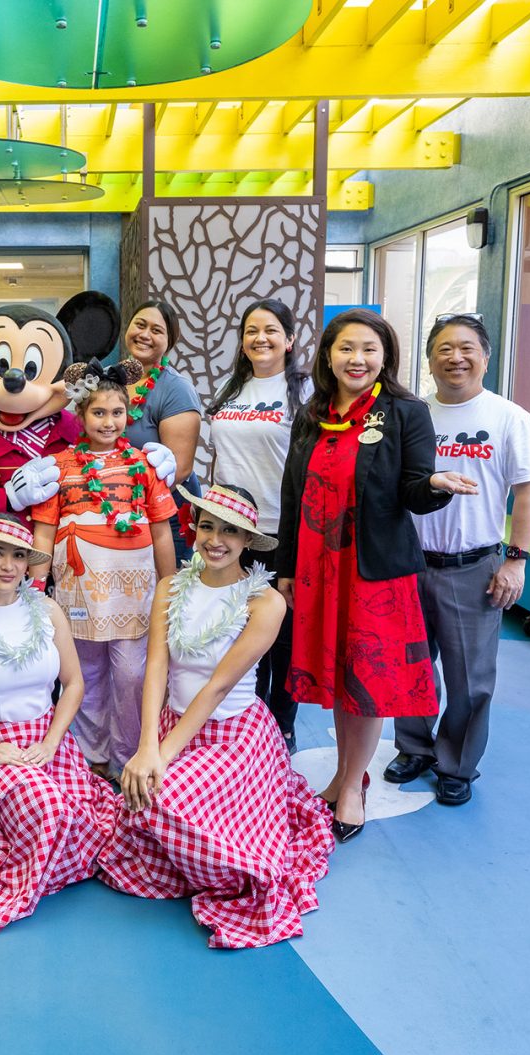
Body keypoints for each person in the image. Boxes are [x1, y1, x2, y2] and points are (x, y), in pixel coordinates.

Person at [275, 308, 477, 844]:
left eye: (368, 348)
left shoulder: (405, 412)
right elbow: (292, 495)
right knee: (340, 680)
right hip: (319, 568)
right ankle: (346, 773)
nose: (356, 359)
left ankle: (352, 790)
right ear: (328, 357)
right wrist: (288, 568)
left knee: (365, 682)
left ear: (385, 356)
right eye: (345, 348)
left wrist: (434, 481)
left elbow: (413, 489)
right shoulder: (312, 413)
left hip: (372, 572)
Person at [102, 486, 332, 949]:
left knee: (160, 793)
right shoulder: (171, 586)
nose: (215, 539)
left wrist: (160, 757)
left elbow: (219, 687)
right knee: (144, 797)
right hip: (173, 723)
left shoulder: (266, 603)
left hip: (234, 738)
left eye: (230, 530)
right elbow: (158, 669)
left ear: (249, 539)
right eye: (207, 526)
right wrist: (148, 744)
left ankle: (235, 841)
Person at [0, 516, 120, 932]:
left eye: (18, 555)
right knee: (48, 808)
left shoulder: (47, 610)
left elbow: (73, 684)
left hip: (48, 742)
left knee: (98, 821)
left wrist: (51, 743)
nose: (8, 566)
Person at [385, 314, 530, 806]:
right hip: (408, 562)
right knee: (409, 666)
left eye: (467, 348)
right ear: (429, 358)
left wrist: (516, 560)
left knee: (470, 680)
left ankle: (457, 763)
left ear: (485, 355)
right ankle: (414, 747)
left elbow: (527, 493)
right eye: (444, 349)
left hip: (472, 567)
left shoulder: (508, 417)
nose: (456, 358)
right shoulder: (411, 414)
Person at [30, 355, 176, 776]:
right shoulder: (59, 467)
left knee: (132, 676)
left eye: (117, 412)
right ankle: (90, 758)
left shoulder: (145, 466)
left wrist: (171, 588)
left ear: (128, 414)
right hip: (78, 592)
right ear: (80, 415)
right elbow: (43, 530)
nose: (108, 421)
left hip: (135, 596)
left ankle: (129, 756)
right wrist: (37, 590)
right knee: (85, 674)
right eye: (98, 412)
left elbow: (163, 531)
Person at [202, 298, 311, 749]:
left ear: (289, 339)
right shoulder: (231, 389)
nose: (259, 338)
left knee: (281, 639)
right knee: (234, 630)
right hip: (231, 531)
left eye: (270, 330)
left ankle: (280, 729)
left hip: (283, 530)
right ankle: (244, 724)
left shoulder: (305, 392)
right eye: (250, 330)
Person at [117, 299, 202, 563]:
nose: (144, 335)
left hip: (166, 514)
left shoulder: (176, 389)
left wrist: (127, 502)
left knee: (163, 593)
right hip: (116, 507)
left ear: (169, 342)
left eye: (156, 330)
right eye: (139, 325)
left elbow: (180, 468)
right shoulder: (111, 379)